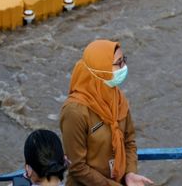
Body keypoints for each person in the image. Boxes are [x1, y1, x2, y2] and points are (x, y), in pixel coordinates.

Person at [60, 40, 153, 186]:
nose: (124, 67)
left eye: (124, 60)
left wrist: (130, 173)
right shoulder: (75, 111)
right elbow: (77, 167)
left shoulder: (118, 98)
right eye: (118, 63)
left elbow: (129, 141)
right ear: (101, 69)